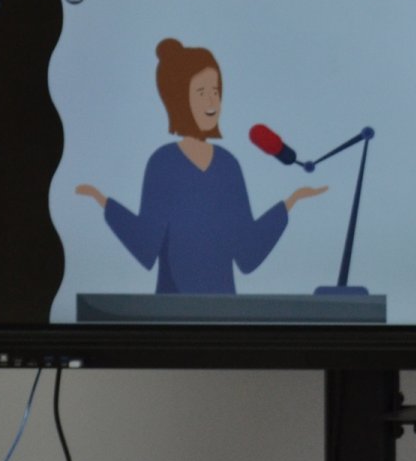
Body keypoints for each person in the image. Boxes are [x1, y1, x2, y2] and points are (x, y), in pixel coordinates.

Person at [75, 39, 326, 293]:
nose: (212, 102)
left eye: (215, 92)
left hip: (223, 305)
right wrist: (103, 202)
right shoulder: (163, 162)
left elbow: (247, 250)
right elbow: (146, 241)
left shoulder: (228, 164)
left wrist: (291, 201)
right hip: (172, 305)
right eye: (201, 92)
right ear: (179, 98)